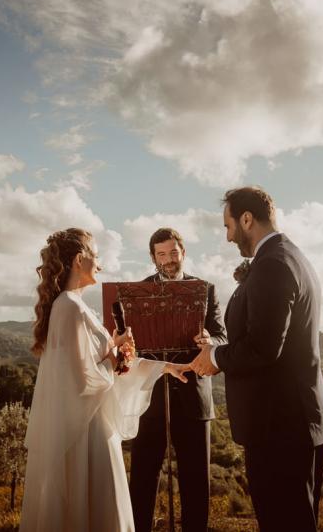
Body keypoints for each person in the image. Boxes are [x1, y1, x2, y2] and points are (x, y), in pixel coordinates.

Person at [20, 228, 191, 532]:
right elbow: (82, 377)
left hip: (91, 424)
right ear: (78, 260)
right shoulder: (70, 308)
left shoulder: (72, 304)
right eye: (95, 256)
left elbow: (89, 362)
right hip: (88, 432)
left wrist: (157, 364)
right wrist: (115, 354)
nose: (99, 264)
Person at [189, 186, 323, 532]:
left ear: (247, 219)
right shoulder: (289, 256)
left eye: (228, 227)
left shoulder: (273, 264)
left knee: (285, 522)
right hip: (291, 420)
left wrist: (216, 357)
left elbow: (264, 348)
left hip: (280, 425)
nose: (227, 238)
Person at [129, 227, 226, 532]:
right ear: (153, 257)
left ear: (183, 252)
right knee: (143, 476)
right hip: (149, 394)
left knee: (196, 478)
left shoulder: (206, 289)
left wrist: (210, 338)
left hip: (194, 393)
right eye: (162, 254)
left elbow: (223, 336)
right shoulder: (137, 292)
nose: (169, 259)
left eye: (173, 252)